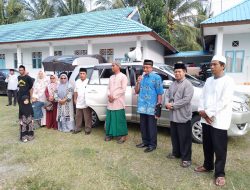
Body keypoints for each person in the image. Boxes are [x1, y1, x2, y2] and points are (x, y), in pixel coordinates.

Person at [195, 55, 235, 187]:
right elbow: (202, 97)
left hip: (219, 120)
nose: (211, 67)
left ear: (223, 66)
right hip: (206, 120)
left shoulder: (228, 81)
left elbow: (224, 101)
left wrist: (208, 113)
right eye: (211, 64)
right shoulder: (208, 80)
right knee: (207, 145)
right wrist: (202, 111)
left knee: (219, 148)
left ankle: (220, 173)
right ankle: (207, 165)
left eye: (215, 64)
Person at [165, 63, 194, 168]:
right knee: (175, 136)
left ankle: (186, 158)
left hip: (183, 116)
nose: (177, 73)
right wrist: (166, 102)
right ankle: (176, 153)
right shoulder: (173, 84)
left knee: (185, 138)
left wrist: (172, 105)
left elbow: (186, 100)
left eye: (179, 71)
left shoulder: (188, 84)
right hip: (173, 116)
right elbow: (167, 94)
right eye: (175, 71)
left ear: (184, 72)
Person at [135, 59, 164, 152]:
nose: (145, 69)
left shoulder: (157, 78)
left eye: (147, 67)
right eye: (144, 67)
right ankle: (145, 142)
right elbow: (136, 91)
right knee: (143, 125)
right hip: (142, 105)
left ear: (151, 68)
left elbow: (160, 93)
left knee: (151, 126)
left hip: (152, 106)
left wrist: (158, 106)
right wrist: (138, 82)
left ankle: (152, 144)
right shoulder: (142, 77)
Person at [105, 61, 128, 143]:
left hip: (118, 101)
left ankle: (123, 136)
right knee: (110, 119)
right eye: (112, 66)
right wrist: (109, 95)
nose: (112, 67)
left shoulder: (123, 76)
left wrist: (114, 97)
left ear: (118, 66)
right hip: (110, 101)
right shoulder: (111, 77)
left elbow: (123, 89)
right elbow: (108, 88)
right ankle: (110, 134)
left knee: (119, 119)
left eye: (113, 65)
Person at [73, 68, 92, 135]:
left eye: (83, 73)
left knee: (87, 117)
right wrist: (75, 99)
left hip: (86, 102)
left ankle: (87, 129)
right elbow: (75, 91)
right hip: (78, 101)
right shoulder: (77, 81)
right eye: (80, 73)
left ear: (86, 74)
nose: (82, 75)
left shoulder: (88, 81)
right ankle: (77, 128)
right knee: (78, 116)